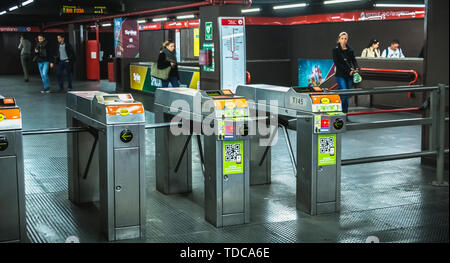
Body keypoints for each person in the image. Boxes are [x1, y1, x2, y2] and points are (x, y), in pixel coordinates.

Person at [332, 32, 359, 114]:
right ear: (339, 39)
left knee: (347, 95)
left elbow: (354, 60)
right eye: (342, 38)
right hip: (341, 75)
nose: (344, 40)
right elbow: (337, 64)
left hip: (349, 75)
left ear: (347, 39)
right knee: (344, 94)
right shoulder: (335, 50)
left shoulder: (350, 50)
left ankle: (344, 113)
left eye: (345, 38)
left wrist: (356, 68)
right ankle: (343, 114)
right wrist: (349, 71)